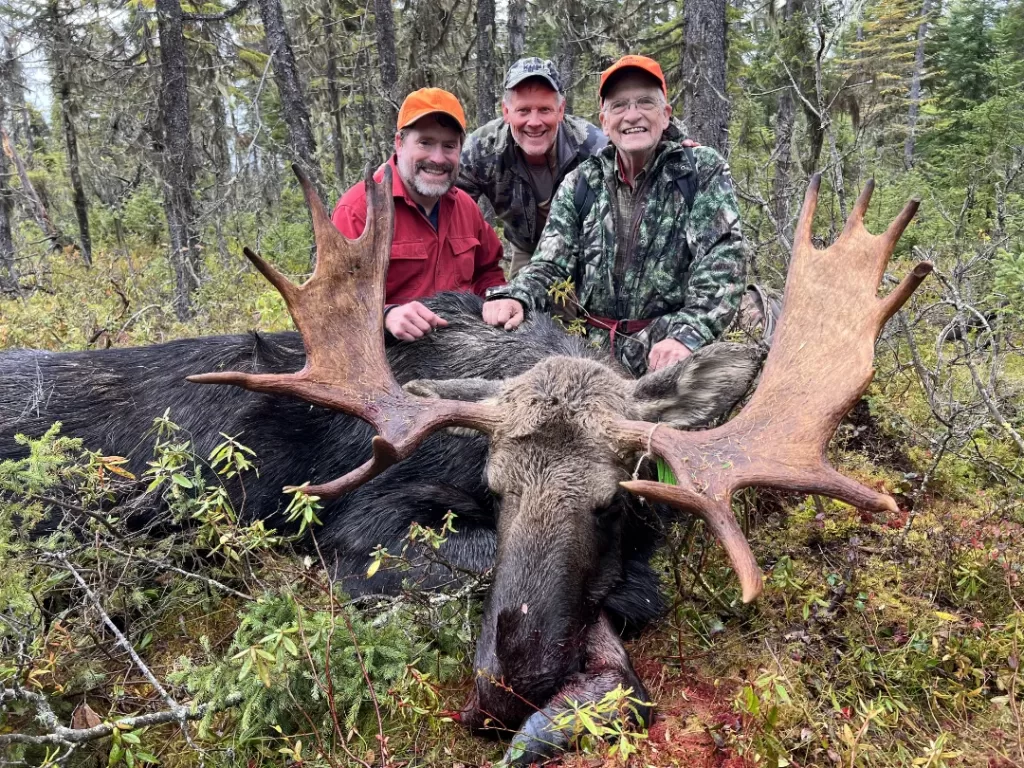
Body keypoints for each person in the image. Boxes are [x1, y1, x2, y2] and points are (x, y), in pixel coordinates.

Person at [481, 55, 748, 377]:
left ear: (665, 116)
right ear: (604, 121)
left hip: (669, 351)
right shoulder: (583, 180)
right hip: (587, 352)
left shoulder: (699, 170)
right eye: (619, 106)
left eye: (645, 102)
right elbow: (550, 263)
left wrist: (687, 335)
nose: (632, 115)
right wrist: (516, 295)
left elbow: (722, 260)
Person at [333, 88, 506, 341]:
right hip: (388, 357)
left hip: (465, 352)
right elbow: (332, 299)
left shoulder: (466, 209)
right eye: (425, 142)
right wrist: (385, 316)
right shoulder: (359, 210)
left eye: (449, 146)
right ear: (399, 143)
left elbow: (488, 271)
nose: (437, 158)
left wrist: (497, 298)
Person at [457, 58, 607, 276]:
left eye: (545, 110)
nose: (534, 122)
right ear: (506, 111)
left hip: (584, 250)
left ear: (561, 110)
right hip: (527, 248)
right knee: (519, 306)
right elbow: (451, 209)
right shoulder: (481, 149)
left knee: (585, 308)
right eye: (524, 110)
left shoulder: (593, 148)